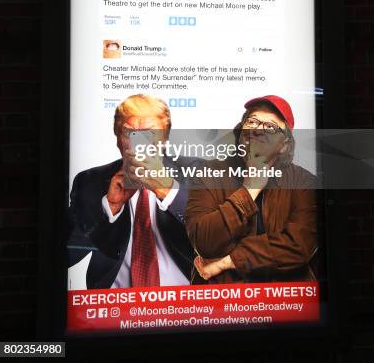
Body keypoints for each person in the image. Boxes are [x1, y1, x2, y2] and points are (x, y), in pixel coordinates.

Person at [185, 95, 318, 284]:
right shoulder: (207, 173)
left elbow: (299, 246)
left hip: (286, 302)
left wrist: (227, 261)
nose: (258, 130)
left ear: (284, 144)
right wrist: (249, 189)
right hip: (221, 304)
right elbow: (204, 242)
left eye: (270, 127)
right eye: (252, 121)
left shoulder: (305, 182)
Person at [68, 94, 193, 288]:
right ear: (118, 138)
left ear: (166, 137)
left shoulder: (197, 171)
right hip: (114, 304)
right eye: (129, 132)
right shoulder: (90, 181)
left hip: (185, 302)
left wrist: (168, 192)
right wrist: (109, 207)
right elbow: (69, 255)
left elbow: (217, 241)